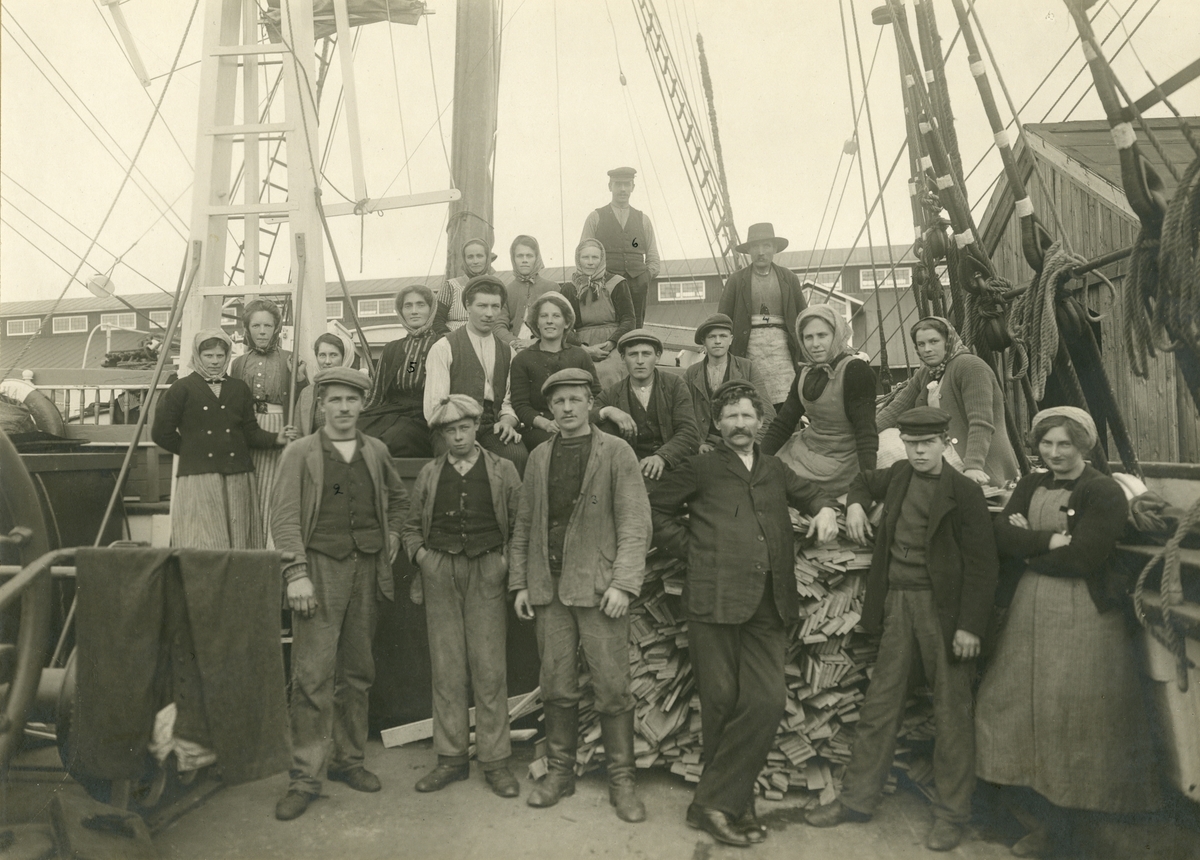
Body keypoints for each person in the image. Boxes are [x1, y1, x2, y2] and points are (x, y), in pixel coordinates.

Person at [650, 380, 839, 848]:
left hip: (768, 603)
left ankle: (711, 803)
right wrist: (694, 549)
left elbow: (813, 495)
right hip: (713, 598)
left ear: (760, 422)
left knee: (767, 701)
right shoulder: (701, 467)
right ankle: (734, 804)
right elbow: (653, 509)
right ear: (718, 424)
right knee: (720, 703)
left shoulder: (775, 468)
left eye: (747, 416)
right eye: (731, 416)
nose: (739, 424)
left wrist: (826, 510)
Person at [805, 407, 998, 853]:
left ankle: (952, 815)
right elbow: (862, 480)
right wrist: (856, 503)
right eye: (911, 444)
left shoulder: (964, 491)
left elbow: (983, 565)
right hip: (898, 604)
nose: (918, 452)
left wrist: (970, 627)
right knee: (881, 703)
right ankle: (856, 800)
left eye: (927, 444)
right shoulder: (898, 476)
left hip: (944, 611)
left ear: (945, 442)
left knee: (951, 712)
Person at [975, 406, 1159, 856]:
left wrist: (1027, 550)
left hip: (1082, 615)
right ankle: (1026, 811)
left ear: (1083, 445)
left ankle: (1073, 830)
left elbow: (1084, 558)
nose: (1054, 453)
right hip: (1028, 610)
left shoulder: (1102, 491)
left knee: (1070, 717)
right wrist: (1046, 541)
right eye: (1046, 443)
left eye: (1064, 444)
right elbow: (1000, 535)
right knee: (1009, 703)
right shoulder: (1030, 484)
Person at [509, 368, 652, 823]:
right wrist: (520, 582)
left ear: (591, 403)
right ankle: (559, 774)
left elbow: (635, 522)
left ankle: (622, 781)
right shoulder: (539, 456)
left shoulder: (617, 452)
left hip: (599, 588)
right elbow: (525, 524)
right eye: (559, 401)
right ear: (549, 408)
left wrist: (623, 583)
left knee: (612, 687)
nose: (567, 408)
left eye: (575, 399)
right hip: (548, 589)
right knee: (556, 684)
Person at [270, 367, 409, 822]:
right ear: (321, 405)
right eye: (335, 400)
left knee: (358, 672)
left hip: (366, 570)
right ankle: (305, 777)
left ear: (362, 404)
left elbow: (399, 500)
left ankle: (348, 761)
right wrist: (296, 573)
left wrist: (393, 535)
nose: (344, 408)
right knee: (312, 675)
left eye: (352, 400)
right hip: (319, 569)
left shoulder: (376, 451)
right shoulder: (300, 453)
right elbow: (284, 517)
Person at [401, 395, 523, 799]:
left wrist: (505, 563)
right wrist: (423, 558)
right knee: (447, 669)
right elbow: (410, 526)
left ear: (476, 428)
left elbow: (520, 523)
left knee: (490, 669)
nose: (458, 436)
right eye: (450, 431)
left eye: (464, 428)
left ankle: (495, 762)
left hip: (488, 571)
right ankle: (451, 759)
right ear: (441, 434)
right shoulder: (430, 473)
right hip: (440, 573)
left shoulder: (503, 470)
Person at [152, 329, 296, 549]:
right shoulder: (181, 388)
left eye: (220, 356)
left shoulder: (238, 388)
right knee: (203, 539)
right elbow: (161, 433)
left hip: (237, 474)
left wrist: (277, 438)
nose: (215, 361)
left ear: (227, 356)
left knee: (239, 539)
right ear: (197, 356)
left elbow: (250, 432)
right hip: (199, 477)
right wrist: (193, 450)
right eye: (208, 356)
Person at [876, 316, 1019, 487]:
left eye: (934, 341)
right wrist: (862, 436)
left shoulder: (970, 366)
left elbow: (981, 422)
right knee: (882, 440)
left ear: (948, 341)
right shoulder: (927, 372)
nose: (927, 349)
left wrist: (973, 466)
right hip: (941, 449)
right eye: (921, 344)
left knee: (894, 454)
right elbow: (895, 409)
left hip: (973, 457)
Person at [761, 305, 878, 497]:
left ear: (836, 335)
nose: (815, 344)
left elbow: (866, 431)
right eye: (808, 337)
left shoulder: (855, 370)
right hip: (808, 446)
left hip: (838, 459)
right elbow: (783, 424)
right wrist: (755, 461)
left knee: (777, 482)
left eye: (822, 335)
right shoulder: (805, 372)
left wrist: (868, 483)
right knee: (761, 470)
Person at [424, 275, 529, 475]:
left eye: (495, 306)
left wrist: (507, 421)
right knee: (460, 460)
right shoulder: (444, 347)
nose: (489, 314)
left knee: (516, 455)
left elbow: (509, 399)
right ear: (467, 306)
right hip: (451, 425)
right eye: (482, 306)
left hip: (492, 424)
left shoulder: (508, 352)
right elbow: (435, 405)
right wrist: (462, 429)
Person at [230, 298, 306, 542]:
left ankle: (275, 545)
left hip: (279, 427)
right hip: (249, 429)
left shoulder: (290, 358)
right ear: (247, 329)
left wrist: (300, 379)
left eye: (267, 326)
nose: (262, 331)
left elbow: (303, 400)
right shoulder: (238, 363)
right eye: (256, 326)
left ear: (276, 328)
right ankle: (253, 545)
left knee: (275, 488)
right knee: (250, 489)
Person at [716, 223, 807, 408]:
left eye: (766, 245)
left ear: (775, 249)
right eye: (755, 246)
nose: (761, 252)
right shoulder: (736, 280)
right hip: (748, 347)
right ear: (749, 250)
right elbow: (722, 319)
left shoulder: (789, 278)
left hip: (783, 349)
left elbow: (804, 316)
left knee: (787, 398)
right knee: (752, 398)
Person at [593, 329, 699, 485]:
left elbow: (689, 431)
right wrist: (607, 411)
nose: (640, 361)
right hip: (630, 469)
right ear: (623, 358)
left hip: (671, 465)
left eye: (646, 354)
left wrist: (662, 457)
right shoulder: (612, 393)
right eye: (633, 354)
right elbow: (587, 416)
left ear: (658, 356)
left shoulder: (675, 385)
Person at [359, 284, 447, 457]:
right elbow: (376, 395)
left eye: (420, 305)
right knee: (355, 432)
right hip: (391, 412)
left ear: (431, 309)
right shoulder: (391, 348)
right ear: (401, 311)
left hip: (424, 417)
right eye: (408, 306)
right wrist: (360, 415)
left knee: (393, 440)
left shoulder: (443, 345)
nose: (414, 311)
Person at [508, 291, 601, 451]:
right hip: (541, 429)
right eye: (544, 316)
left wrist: (580, 420)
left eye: (556, 316)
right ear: (537, 322)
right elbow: (521, 404)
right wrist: (545, 424)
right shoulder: (522, 359)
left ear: (566, 323)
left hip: (580, 422)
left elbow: (596, 394)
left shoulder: (580, 355)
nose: (549, 321)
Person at [580, 166, 660, 327]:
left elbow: (653, 257)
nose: (623, 189)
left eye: (627, 184)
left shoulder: (643, 219)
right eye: (618, 184)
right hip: (607, 285)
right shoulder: (595, 217)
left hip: (637, 286)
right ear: (610, 186)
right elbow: (583, 254)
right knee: (608, 327)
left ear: (633, 187)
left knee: (635, 329)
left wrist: (645, 277)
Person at [684, 314, 776, 453]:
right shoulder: (692, 373)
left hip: (741, 439)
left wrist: (751, 445)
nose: (717, 341)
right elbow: (683, 415)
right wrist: (698, 443)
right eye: (711, 337)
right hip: (705, 445)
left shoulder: (747, 368)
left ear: (731, 339)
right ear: (704, 341)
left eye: (723, 336)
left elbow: (766, 411)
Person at [560, 238, 636, 389]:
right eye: (585, 257)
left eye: (595, 257)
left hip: (614, 344)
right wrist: (583, 349)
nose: (590, 262)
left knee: (609, 372)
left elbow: (629, 319)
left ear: (602, 259)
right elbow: (563, 326)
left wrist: (612, 343)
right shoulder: (570, 288)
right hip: (581, 345)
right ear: (578, 260)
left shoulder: (617, 283)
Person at [498, 235, 559, 351]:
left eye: (529, 256)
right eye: (520, 256)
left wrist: (536, 342)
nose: (524, 260)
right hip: (514, 348)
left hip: (545, 347)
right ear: (513, 259)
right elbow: (499, 326)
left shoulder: (552, 288)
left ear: (537, 258)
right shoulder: (505, 291)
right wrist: (515, 343)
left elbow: (558, 324)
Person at [296, 330, 357, 436]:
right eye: (322, 355)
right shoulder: (307, 393)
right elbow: (298, 432)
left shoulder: (357, 389)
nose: (327, 361)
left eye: (333, 355)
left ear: (344, 357)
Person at [437, 238, 497, 332]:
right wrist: (449, 337)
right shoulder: (451, 286)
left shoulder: (496, 286)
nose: (475, 261)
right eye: (470, 257)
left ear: (487, 258)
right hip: (454, 337)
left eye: (479, 256)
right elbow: (437, 320)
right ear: (464, 260)